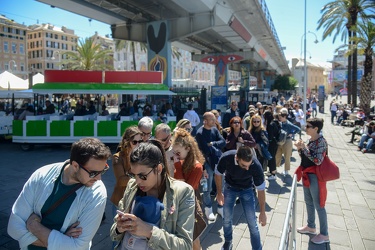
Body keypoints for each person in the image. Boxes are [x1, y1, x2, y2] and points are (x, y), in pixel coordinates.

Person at [8, 138, 112, 249]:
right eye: (93, 173)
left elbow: (78, 246)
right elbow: (13, 227)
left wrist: (34, 226)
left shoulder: (97, 193)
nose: (99, 178)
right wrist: (61, 240)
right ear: (75, 166)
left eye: (103, 170)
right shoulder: (42, 175)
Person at [110, 140, 195, 250]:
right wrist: (119, 228)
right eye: (133, 175)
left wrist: (149, 231)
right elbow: (114, 233)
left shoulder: (183, 192)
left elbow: (185, 246)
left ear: (159, 169)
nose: (137, 181)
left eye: (142, 176)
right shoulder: (132, 185)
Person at [215, 146, 267, 250]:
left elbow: (261, 190)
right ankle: (228, 242)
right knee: (227, 218)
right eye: (244, 165)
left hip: (247, 189)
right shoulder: (226, 157)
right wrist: (219, 193)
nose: (247, 168)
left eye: (249, 165)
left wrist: (262, 212)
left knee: (252, 222)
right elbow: (217, 173)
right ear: (236, 158)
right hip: (230, 187)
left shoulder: (255, 165)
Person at [294, 118, 330, 245]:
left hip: (315, 176)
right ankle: (311, 226)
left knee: (319, 205)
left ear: (316, 128)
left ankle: (325, 234)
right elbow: (305, 157)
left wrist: (304, 148)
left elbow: (317, 160)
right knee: (309, 202)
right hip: (307, 174)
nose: (306, 128)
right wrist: (300, 149)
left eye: (308, 126)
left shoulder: (321, 142)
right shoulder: (312, 140)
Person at [171, 129, 205, 250]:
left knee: (193, 237)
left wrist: (177, 166)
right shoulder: (181, 161)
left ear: (188, 149)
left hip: (190, 202)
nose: (176, 155)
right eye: (174, 152)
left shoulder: (197, 166)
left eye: (178, 152)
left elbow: (185, 189)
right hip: (177, 201)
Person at [195, 112, 225, 221]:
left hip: (217, 161)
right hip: (207, 163)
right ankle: (208, 208)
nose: (214, 121)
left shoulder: (215, 129)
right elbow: (205, 151)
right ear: (205, 121)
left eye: (214, 119)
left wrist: (212, 144)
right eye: (212, 120)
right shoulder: (200, 133)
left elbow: (223, 142)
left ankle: (220, 207)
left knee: (221, 186)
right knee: (207, 188)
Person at [111, 126, 143, 208]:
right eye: (135, 142)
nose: (138, 144)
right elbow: (121, 181)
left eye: (140, 141)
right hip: (121, 199)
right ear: (126, 141)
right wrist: (141, 178)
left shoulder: (142, 154)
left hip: (137, 199)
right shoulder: (117, 157)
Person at [276, 108, 301, 176]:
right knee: (278, 155)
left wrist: (292, 133)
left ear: (285, 116)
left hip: (287, 141)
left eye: (281, 117)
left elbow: (298, 129)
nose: (280, 118)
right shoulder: (279, 123)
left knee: (287, 156)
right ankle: (276, 167)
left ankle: (286, 170)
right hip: (280, 141)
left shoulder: (288, 123)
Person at [263, 110, 279, 180]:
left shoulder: (270, 125)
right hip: (275, 143)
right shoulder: (275, 122)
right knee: (272, 157)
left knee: (271, 158)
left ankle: (273, 174)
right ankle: (271, 172)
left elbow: (270, 136)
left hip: (271, 144)